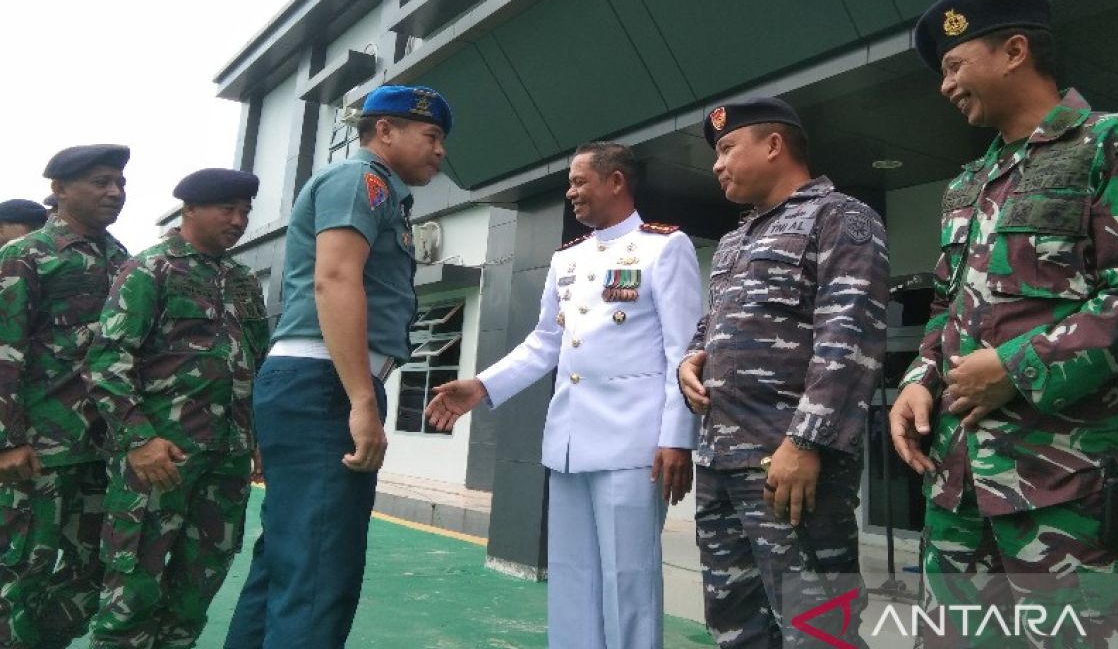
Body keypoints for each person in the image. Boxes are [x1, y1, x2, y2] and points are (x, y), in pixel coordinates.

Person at [889, 0, 1118, 647]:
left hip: (1072, 490)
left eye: (953, 65)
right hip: (960, 493)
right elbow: (948, 307)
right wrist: (919, 378)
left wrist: (1017, 366)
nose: (945, 87)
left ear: (1015, 51)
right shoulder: (967, 185)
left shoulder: (1117, 144)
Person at [425, 141, 702, 649]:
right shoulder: (568, 259)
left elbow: (682, 355)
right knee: (572, 574)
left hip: (634, 445)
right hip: (570, 441)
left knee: (630, 577)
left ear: (615, 181)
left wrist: (678, 437)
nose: (571, 192)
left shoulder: (665, 247)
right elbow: (544, 343)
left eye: (579, 181)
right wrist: (483, 385)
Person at [224, 84, 451, 649]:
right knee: (321, 568)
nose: (440, 151)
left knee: (288, 559)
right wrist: (361, 400)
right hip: (324, 384)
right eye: (431, 136)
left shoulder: (379, 191)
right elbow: (336, 279)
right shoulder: (360, 181)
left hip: (314, 383)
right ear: (385, 131)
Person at [676, 98, 888, 649]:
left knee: (820, 627)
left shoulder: (838, 216)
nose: (717, 165)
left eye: (726, 149)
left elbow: (849, 338)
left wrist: (805, 441)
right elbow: (715, 325)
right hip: (721, 459)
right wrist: (690, 359)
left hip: (787, 463)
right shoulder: (732, 240)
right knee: (735, 622)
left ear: (773, 145)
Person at [84, 169, 268, 648]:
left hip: (225, 461)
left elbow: (256, 362)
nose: (238, 220)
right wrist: (139, 440)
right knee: (132, 595)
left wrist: (258, 439)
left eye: (245, 211)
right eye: (226, 209)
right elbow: (107, 360)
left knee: (194, 594)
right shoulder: (151, 269)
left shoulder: (243, 280)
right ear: (189, 209)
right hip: (161, 461)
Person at [0, 144, 131, 649]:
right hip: (37, 451)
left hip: (102, 450)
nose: (114, 192)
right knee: (20, 572)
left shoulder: (124, 261)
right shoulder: (24, 256)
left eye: (119, 182)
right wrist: (6, 441)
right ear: (59, 190)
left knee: (94, 570)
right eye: (101, 182)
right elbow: (4, 350)